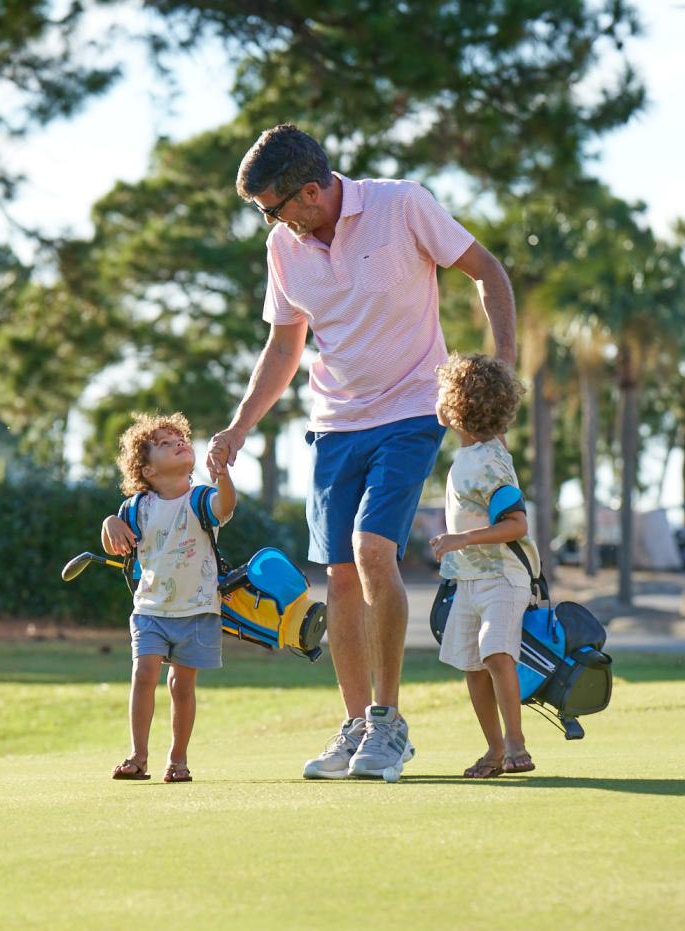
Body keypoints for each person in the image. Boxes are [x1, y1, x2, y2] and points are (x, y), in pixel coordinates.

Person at [207, 124, 518, 782]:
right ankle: (354, 728)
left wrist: (504, 369)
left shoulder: (402, 205)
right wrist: (239, 425)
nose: (270, 220)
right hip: (334, 424)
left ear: (312, 193)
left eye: (273, 207)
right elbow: (285, 347)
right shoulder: (282, 247)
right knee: (340, 574)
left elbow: (486, 270)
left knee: (375, 550)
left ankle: (389, 725)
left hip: (411, 410)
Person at [101, 412, 236, 783]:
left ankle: (177, 759)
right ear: (146, 470)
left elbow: (225, 508)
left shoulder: (201, 499)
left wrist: (223, 476)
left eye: (180, 438)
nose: (178, 443)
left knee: (181, 685)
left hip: (196, 610)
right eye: (163, 443)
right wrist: (107, 523)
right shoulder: (136, 508)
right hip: (151, 609)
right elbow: (114, 543)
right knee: (143, 673)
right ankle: (138, 755)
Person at [428, 353, 539, 777]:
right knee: (472, 665)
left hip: (502, 577)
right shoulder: (471, 455)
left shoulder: (490, 462)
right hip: (469, 579)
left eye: (442, 393)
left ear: (458, 406)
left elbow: (516, 524)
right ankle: (494, 750)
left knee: (494, 653)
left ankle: (515, 742)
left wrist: (462, 539)